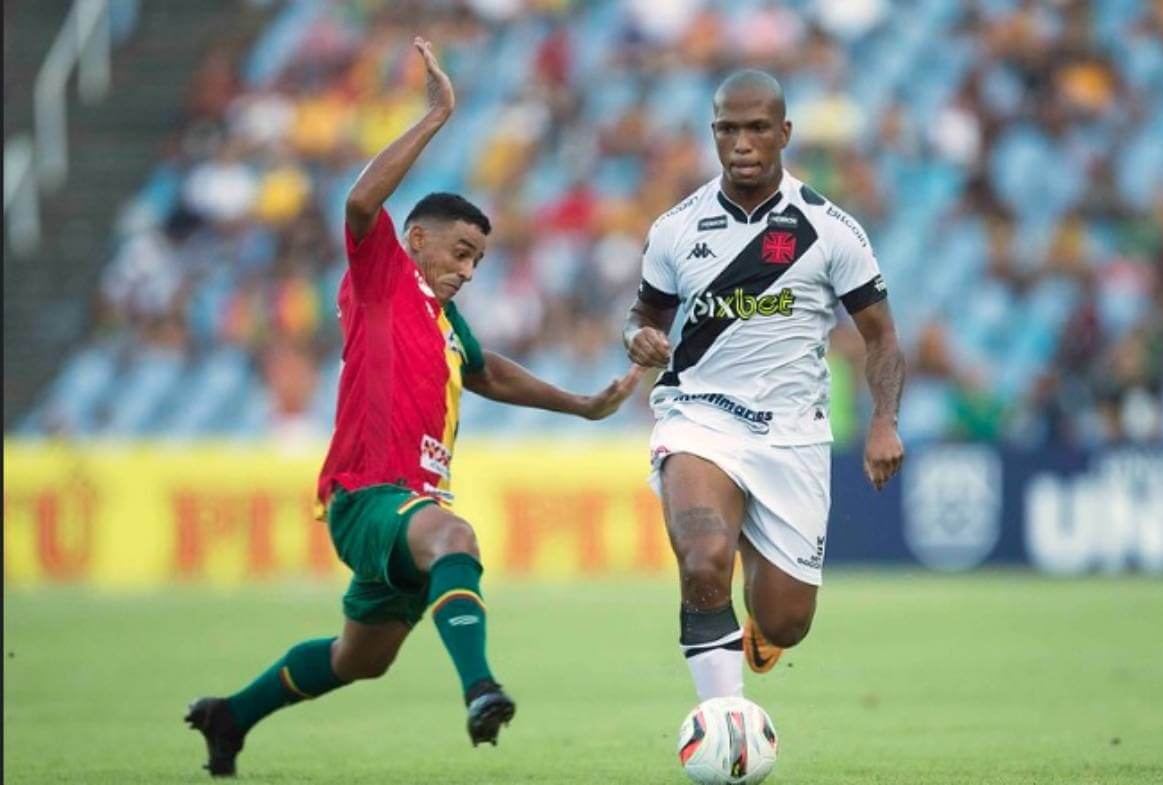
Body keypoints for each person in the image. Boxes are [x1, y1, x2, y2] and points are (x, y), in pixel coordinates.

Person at [186, 38, 642, 777]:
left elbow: (488, 372)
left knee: (359, 658)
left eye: (478, 260)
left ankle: (230, 715)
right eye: (460, 252)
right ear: (418, 239)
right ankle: (481, 688)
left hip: (407, 506)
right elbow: (360, 203)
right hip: (370, 496)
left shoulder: (444, 320)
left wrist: (584, 405)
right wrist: (435, 117)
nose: (469, 269)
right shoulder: (383, 277)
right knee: (455, 539)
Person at [623, 70, 904, 702]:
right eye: (728, 129)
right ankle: (725, 720)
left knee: (786, 621)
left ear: (785, 133)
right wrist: (635, 337)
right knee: (703, 559)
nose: (742, 143)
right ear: (713, 133)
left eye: (757, 129)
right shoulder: (676, 227)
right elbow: (643, 315)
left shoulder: (830, 230)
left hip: (792, 435)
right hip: (699, 419)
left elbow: (882, 337)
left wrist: (884, 420)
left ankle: (760, 600)